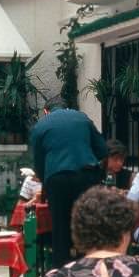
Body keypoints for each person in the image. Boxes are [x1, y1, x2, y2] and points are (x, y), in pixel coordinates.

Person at [29, 96, 107, 267]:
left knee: (60, 227)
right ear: (67, 107)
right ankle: (90, 267)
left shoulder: (40, 126)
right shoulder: (82, 118)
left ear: (46, 111)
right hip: (86, 176)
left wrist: (45, 187)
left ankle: (62, 272)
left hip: (57, 179)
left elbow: (39, 164)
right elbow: (102, 150)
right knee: (87, 222)